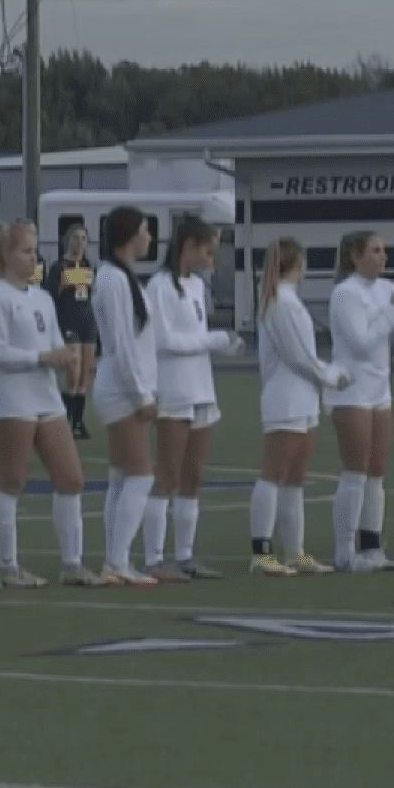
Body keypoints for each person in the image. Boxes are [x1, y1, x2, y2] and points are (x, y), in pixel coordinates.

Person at [0, 219, 98, 587]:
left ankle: (72, 564)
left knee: (71, 478)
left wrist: (67, 359)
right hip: (14, 399)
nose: (34, 257)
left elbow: (54, 340)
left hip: (47, 398)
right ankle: (8, 567)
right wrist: (41, 358)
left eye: (35, 249)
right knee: (12, 481)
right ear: (6, 254)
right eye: (26, 250)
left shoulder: (42, 297)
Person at [146, 218, 242, 581]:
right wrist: (214, 340)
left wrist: (222, 346)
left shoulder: (198, 287)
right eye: (207, 250)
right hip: (173, 390)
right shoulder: (158, 286)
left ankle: (185, 555)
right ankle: (155, 558)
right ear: (187, 246)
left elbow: (195, 337)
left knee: (193, 475)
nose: (212, 257)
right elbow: (164, 341)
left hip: (202, 388)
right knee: (167, 474)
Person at [250, 238, 351, 576]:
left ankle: (295, 551)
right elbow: (298, 356)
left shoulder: (287, 300)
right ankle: (262, 552)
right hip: (286, 397)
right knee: (274, 474)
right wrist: (332, 374)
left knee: (295, 479)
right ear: (300, 263)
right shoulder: (281, 302)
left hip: (303, 397)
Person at [327, 231, 394, 572]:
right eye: (376, 251)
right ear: (355, 255)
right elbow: (362, 342)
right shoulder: (345, 293)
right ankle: (345, 550)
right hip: (351, 389)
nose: (384, 257)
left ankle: (371, 545)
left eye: (384, 250)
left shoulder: (386, 289)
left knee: (377, 472)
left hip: (380, 390)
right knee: (356, 470)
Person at [92, 207, 161, 587]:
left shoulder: (120, 276)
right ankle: (117, 561)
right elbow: (121, 344)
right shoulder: (112, 279)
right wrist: (141, 395)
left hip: (123, 387)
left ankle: (116, 559)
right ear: (129, 235)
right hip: (120, 390)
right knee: (140, 475)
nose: (150, 238)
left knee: (121, 478)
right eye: (146, 231)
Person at [44, 223, 98, 439]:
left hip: (87, 321)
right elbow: (50, 295)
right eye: (76, 238)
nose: (80, 242)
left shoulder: (88, 265)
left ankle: (78, 422)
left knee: (85, 376)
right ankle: (66, 420)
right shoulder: (59, 266)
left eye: (83, 238)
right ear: (68, 241)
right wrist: (63, 285)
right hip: (69, 321)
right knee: (73, 374)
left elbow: (91, 293)